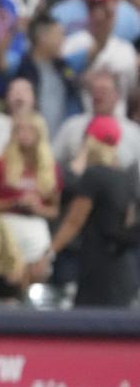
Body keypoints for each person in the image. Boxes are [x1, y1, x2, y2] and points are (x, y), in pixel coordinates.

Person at [45, 117, 140, 308]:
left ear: (89, 142)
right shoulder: (127, 177)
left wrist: (49, 252)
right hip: (124, 269)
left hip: (99, 270)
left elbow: (74, 221)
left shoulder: (94, 175)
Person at [0, 114, 62, 286]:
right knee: (9, 279)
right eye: (19, 129)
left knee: (38, 275)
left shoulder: (50, 169)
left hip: (35, 224)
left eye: (29, 129)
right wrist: (15, 203)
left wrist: (37, 208)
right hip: (5, 224)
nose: (24, 134)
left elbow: (54, 210)